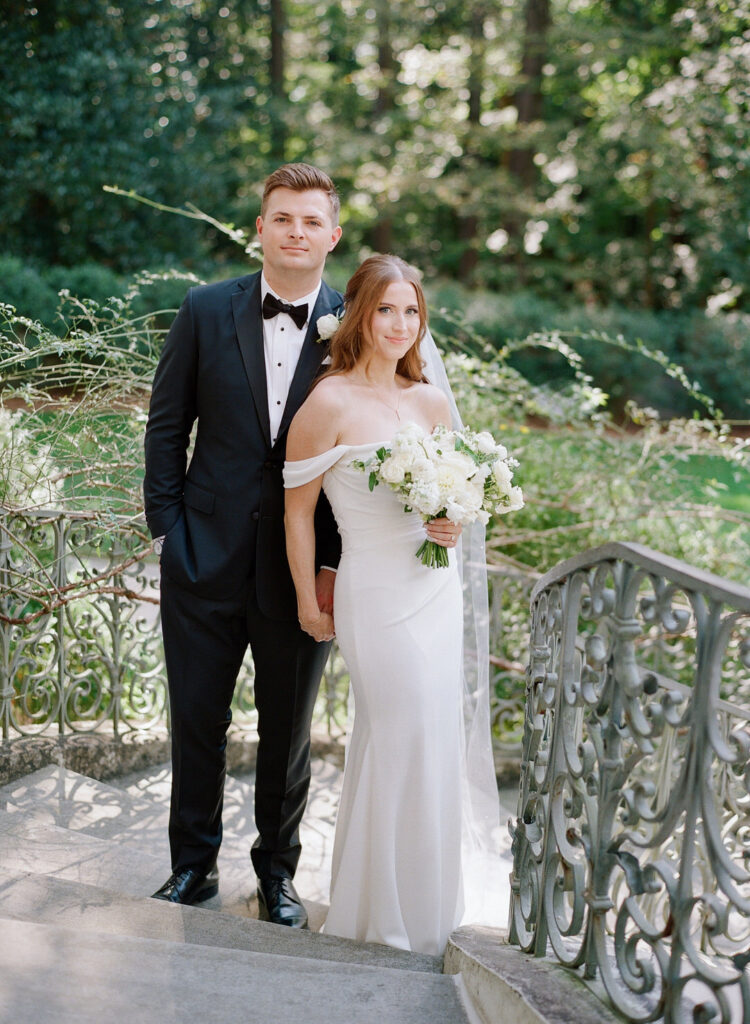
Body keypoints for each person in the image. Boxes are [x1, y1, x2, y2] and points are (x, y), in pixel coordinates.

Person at [143, 163, 344, 927]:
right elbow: (168, 427)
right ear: (259, 229)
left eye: (310, 220)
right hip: (202, 555)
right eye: (281, 218)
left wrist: (333, 565)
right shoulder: (202, 310)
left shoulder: (357, 325)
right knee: (196, 719)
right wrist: (171, 532)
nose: (296, 231)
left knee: (288, 731)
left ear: (333, 233)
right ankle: (191, 868)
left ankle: (277, 876)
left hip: (303, 573)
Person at [283, 254, 502, 955]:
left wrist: (453, 522)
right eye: (385, 310)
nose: (400, 325)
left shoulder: (432, 401)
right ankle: (383, 921)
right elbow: (297, 513)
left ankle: (418, 908)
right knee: (400, 733)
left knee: (427, 739)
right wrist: (305, 600)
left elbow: (450, 500)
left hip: (434, 588)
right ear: (358, 315)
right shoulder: (329, 402)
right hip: (373, 590)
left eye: (411, 311)